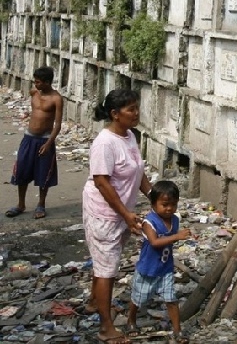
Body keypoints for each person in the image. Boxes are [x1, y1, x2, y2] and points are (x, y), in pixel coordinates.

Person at [82, 89, 152, 344]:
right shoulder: (105, 143)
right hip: (104, 213)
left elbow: (138, 171)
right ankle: (106, 327)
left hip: (121, 211)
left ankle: (93, 302)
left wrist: (155, 196)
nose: (136, 113)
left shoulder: (129, 136)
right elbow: (102, 182)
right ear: (115, 114)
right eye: (130, 109)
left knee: (104, 263)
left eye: (136, 107)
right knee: (106, 270)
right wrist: (126, 214)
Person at [126, 180, 191, 344]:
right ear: (154, 204)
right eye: (165, 204)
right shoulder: (149, 222)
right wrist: (177, 237)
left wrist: (176, 236)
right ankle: (131, 319)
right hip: (148, 269)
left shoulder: (174, 220)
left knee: (171, 299)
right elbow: (155, 243)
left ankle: (177, 331)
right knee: (139, 298)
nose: (169, 208)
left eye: (173, 204)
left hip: (165, 268)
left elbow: (168, 240)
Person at [5, 66, 63, 220]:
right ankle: (20, 204)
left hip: (45, 140)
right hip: (29, 138)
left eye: (38, 82)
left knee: (44, 173)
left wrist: (49, 144)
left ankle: (41, 204)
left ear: (47, 82)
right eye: (35, 82)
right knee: (22, 170)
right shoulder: (34, 92)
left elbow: (57, 124)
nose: (35, 84)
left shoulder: (56, 98)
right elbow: (34, 111)